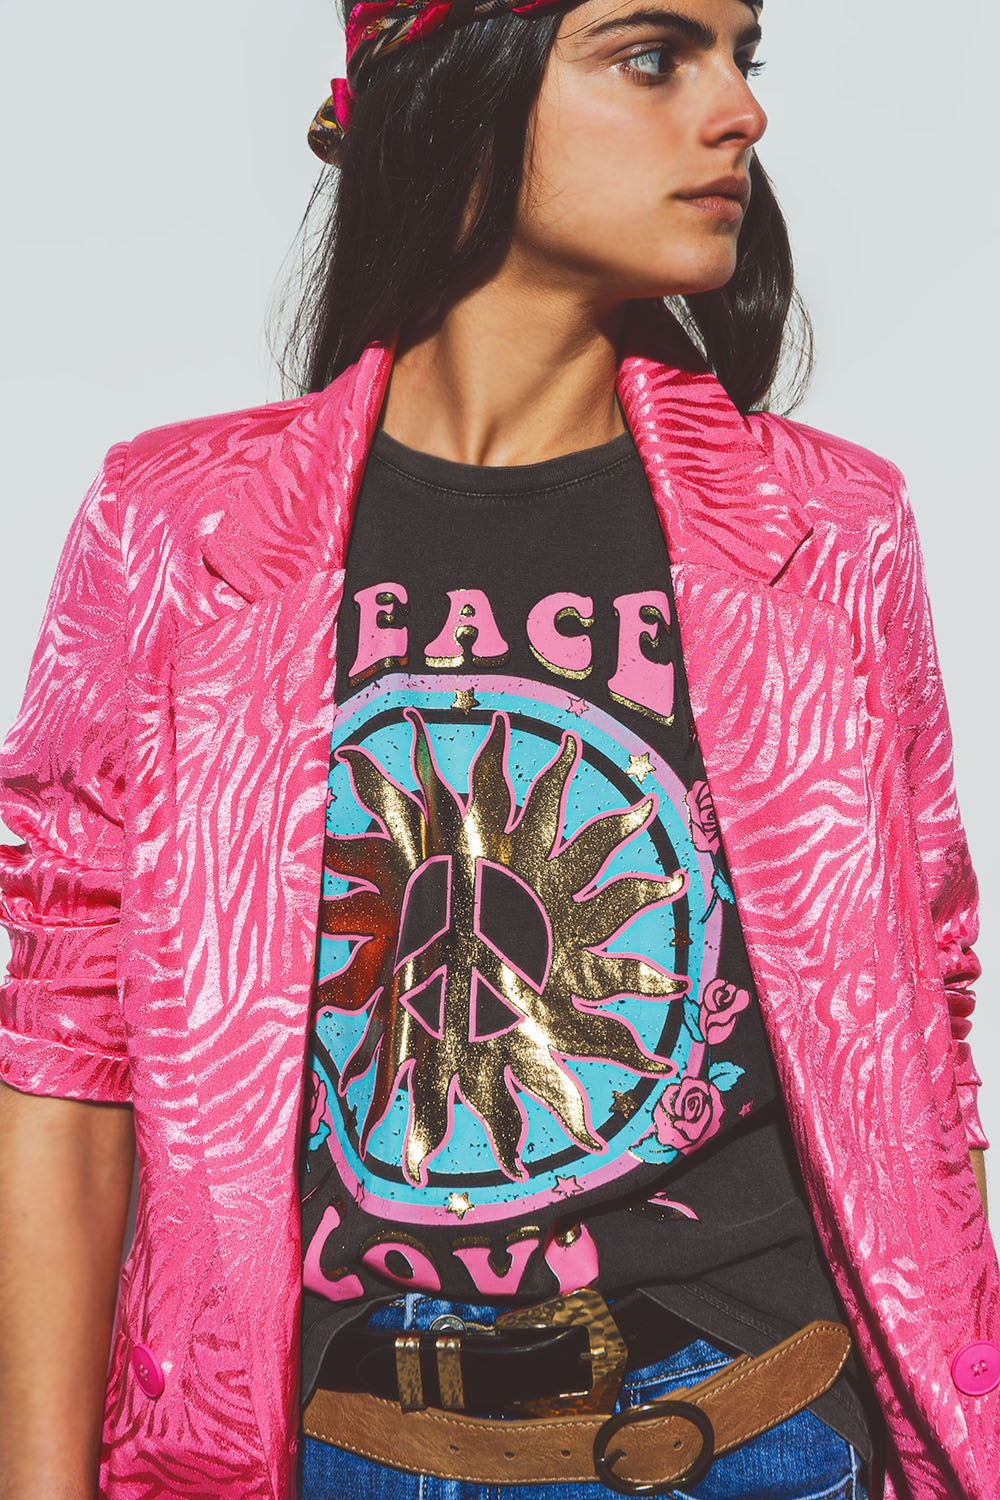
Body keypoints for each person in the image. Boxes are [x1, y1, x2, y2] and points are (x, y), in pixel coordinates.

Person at [0, 0, 995, 1496]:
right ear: (457, 92)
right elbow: (67, 1050)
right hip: (338, 1443)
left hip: (757, 1435)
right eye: (653, 56)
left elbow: (925, 1031)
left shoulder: (828, 536)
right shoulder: (180, 534)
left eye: (742, 56)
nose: (740, 111)